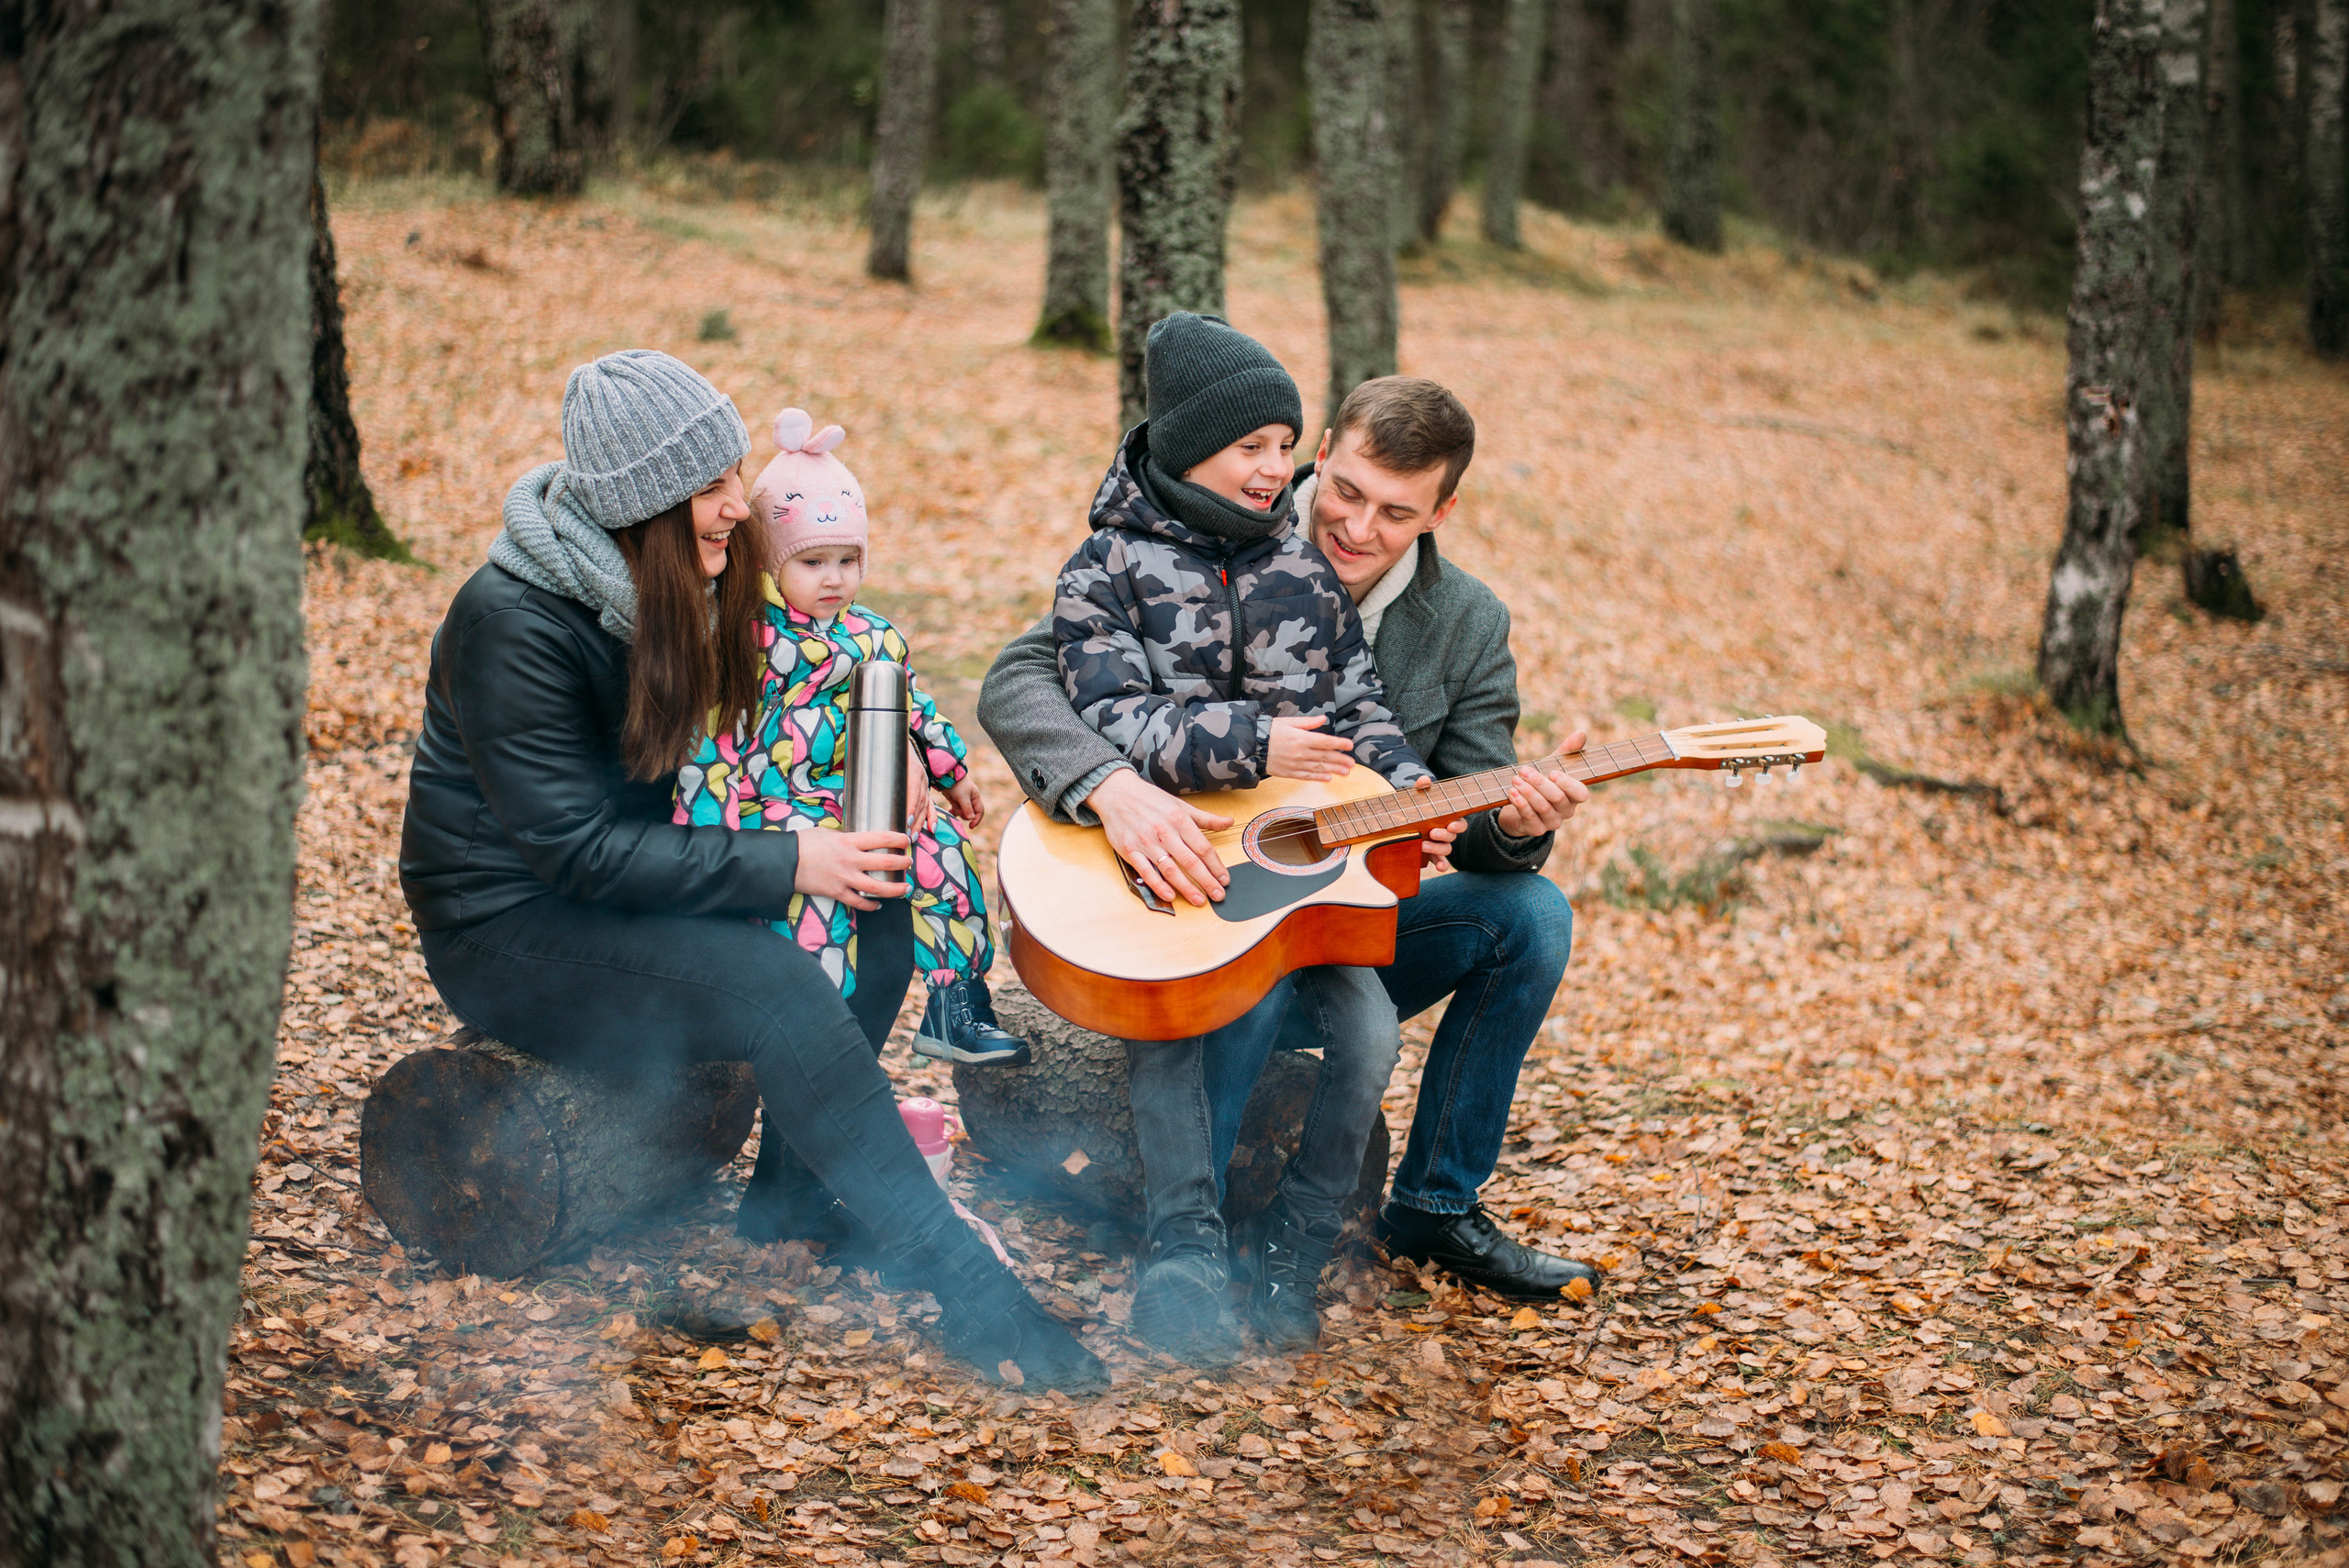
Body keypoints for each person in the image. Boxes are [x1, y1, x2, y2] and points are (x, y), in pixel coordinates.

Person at [398, 350, 1101, 1391]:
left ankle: (790, 1196)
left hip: (650, 879)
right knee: (776, 983)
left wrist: (896, 753)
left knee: (875, 915)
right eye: (715, 488)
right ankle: (963, 1281)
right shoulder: (513, 621)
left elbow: (790, 698)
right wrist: (791, 860)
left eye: (736, 478)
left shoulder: (691, 578)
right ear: (646, 503)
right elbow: (575, 850)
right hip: (513, 926)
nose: (742, 505)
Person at [980, 373, 1600, 1310]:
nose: (1355, 526)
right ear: (1321, 457)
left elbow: (1468, 816)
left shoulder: (1467, 625)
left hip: (1341, 914)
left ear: (1442, 511)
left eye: (1396, 512)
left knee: (1533, 916)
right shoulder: (1216, 530)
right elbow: (1029, 674)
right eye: (1344, 491)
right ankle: (1189, 1242)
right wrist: (1112, 788)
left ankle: (1433, 1203)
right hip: (1190, 898)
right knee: (1233, 992)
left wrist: (1508, 825)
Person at [1046, 313, 1435, 1363]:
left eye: (1283, 445)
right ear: (1184, 445)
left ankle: (1298, 1243)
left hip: (1294, 893)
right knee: (1179, 1021)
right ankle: (1181, 1247)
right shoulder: (1105, 569)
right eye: (1251, 446)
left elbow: (1361, 712)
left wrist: (1414, 791)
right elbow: (1109, 717)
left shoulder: (1302, 573)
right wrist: (1254, 739)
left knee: (1368, 1033)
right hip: (1164, 868)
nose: (1278, 470)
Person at [673, 408, 1027, 1067]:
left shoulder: (872, 635)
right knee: (820, 908)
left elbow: (913, 705)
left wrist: (950, 771)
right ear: (770, 562)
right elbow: (712, 748)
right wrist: (711, 841)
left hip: (848, 793)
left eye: (847, 559)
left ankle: (956, 1001)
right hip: (772, 806)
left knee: (945, 850)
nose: (833, 578)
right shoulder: (743, 639)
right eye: (812, 561)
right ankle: (816, 1031)